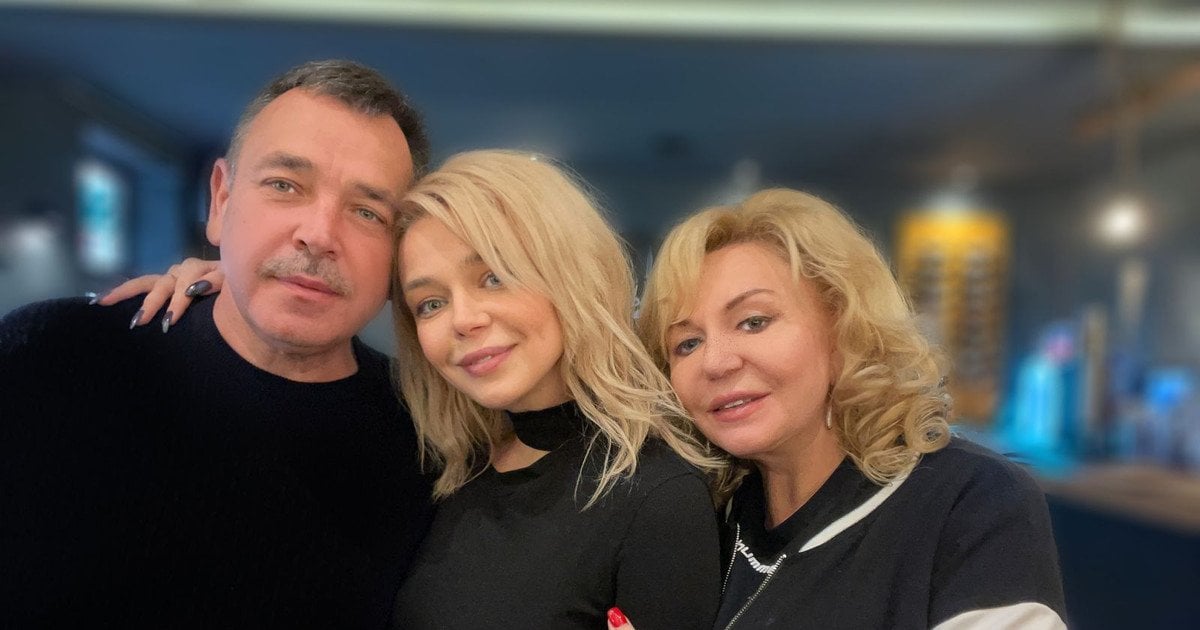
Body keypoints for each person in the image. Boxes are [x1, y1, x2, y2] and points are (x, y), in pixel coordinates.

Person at [124, 150, 727, 629]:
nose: (463, 320)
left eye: (492, 277)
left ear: (570, 272)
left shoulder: (656, 496)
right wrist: (229, 293)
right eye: (430, 303)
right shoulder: (443, 463)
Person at [0, 60, 434, 629]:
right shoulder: (48, 355)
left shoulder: (431, 441)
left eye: (367, 211)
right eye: (285, 185)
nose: (319, 235)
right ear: (221, 200)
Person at [627, 188, 1067, 629]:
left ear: (844, 327)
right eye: (687, 343)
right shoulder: (702, 517)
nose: (715, 362)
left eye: (754, 322)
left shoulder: (971, 500)